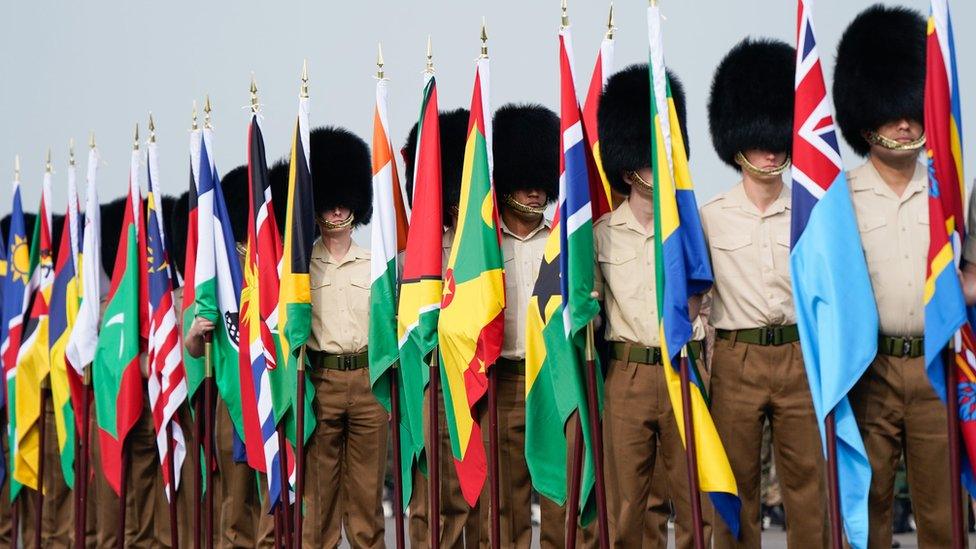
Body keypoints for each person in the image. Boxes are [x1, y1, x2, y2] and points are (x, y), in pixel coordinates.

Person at [833, 5, 953, 547]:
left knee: (943, 509)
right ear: (866, 117)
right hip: (870, 369)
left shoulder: (947, 193)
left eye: (911, 107)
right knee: (869, 509)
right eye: (890, 110)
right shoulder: (840, 201)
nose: (905, 121)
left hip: (937, 366)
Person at [701, 37, 828, 548]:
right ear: (738, 139)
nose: (772, 148)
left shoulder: (811, 210)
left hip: (800, 355)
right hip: (737, 358)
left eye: (778, 135)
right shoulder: (710, 216)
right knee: (735, 492)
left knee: (808, 490)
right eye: (760, 138)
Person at [594, 63, 711, 548]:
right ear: (628, 169)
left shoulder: (690, 225)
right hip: (629, 374)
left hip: (683, 365)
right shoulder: (601, 234)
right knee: (629, 507)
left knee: (693, 499)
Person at [474, 103, 558, 547]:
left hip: (553, 382)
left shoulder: (564, 239)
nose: (534, 193)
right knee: (505, 510)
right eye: (525, 184)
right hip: (503, 382)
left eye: (541, 184)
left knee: (560, 507)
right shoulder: (485, 246)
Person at [402, 107, 484, 548]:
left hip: (478, 378)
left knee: (482, 500)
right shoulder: (419, 251)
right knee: (436, 503)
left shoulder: (483, 244)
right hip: (433, 381)